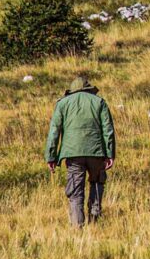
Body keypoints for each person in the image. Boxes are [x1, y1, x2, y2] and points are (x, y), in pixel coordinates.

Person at [45, 76, 116, 226]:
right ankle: (95, 219)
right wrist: (109, 154)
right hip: (96, 151)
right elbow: (108, 130)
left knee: (76, 191)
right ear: (88, 89)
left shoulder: (62, 103)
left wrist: (51, 156)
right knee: (97, 183)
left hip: (73, 153)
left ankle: (78, 226)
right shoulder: (99, 102)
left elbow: (54, 132)